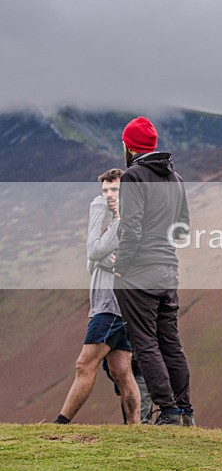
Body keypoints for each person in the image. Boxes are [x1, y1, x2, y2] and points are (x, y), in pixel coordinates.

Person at [113, 117, 194, 427]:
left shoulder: (133, 177)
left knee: (145, 343)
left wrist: (121, 268)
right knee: (171, 342)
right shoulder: (175, 178)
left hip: (139, 273)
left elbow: (131, 229)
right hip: (168, 271)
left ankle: (168, 412)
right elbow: (183, 229)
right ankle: (185, 411)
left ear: (129, 146)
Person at [54, 169, 141, 425]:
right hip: (112, 304)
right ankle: (135, 428)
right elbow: (93, 258)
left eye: (114, 190)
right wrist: (104, 258)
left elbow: (93, 251)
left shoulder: (122, 223)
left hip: (111, 306)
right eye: (104, 191)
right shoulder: (112, 220)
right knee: (121, 371)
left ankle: (61, 423)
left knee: (84, 364)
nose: (108, 196)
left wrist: (99, 253)